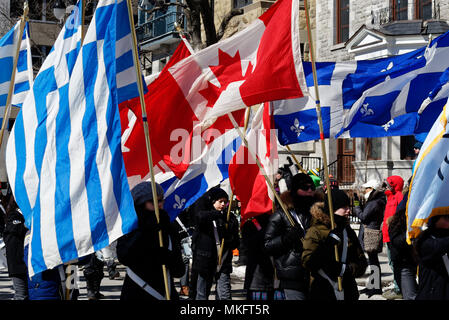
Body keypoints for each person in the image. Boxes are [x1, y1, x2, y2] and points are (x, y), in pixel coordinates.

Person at [117, 181, 185, 300]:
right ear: (141, 203)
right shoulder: (131, 226)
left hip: (165, 293)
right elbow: (124, 256)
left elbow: (179, 271)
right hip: (136, 293)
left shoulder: (168, 227)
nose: (160, 204)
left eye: (161, 200)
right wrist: (146, 230)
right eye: (154, 201)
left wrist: (168, 257)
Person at [302, 189, 368, 301]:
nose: (349, 211)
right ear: (333, 208)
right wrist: (328, 244)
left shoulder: (347, 230)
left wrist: (347, 269)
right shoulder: (315, 231)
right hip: (323, 290)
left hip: (348, 290)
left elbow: (362, 261)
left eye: (349, 207)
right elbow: (308, 262)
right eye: (344, 207)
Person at [264, 173, 319, 300]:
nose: (310, 191)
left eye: (312, 188)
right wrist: (287, 238)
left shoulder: (319, 214)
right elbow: (267, 245)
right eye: (305, 188)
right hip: (292, 277)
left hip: (317, 275)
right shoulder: (282, 215)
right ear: (295, 190)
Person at [191, 187, 239, 300]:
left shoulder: (229, 217)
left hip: (223, 262)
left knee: (224, 293)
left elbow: (235, 241)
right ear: (213, 202)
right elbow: (199, 217)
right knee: (202, 293)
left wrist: (230, 236)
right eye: (220, 201)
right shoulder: (205, 216)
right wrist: (218, 215)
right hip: (205, 261)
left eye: (225, 202)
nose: (223, 204)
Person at [354, 179, 386, 296]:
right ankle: (372, 285)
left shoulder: (375, 202)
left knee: (373, 261)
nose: (364, 190)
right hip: (370, 231)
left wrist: (356, 205)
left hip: (371, 233)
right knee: (373, 261)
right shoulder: (375, 200)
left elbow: (363, 216)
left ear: (372, 189)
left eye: (366, 188)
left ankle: (376, 287)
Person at [387, 187, 418, 300]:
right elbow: (396, 240)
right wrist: (412, 236)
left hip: (419, 262)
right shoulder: (398, 220)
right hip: (404, 262)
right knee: (410, 295)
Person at [414, 213, 449, 300]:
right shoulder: (426, 238)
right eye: (446, 218)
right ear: (435, 220)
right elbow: (437, 247)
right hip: (431, 290)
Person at [382, 175, 404, 299]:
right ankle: (397, 286)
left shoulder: (399, 196)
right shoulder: (389, 196)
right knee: (392, 262)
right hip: (388, 235)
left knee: (395, 262)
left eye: (390, 183)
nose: (388, 185)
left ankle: (399, 288)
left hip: (394, 235)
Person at [242, 213, 274, 300]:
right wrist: (263, 233)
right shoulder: (249, 225)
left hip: (273, 273)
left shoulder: (276, 223)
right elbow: (248, 245)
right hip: (256, 274)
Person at [3, 195, 29, 300]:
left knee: (27, 294)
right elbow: (16, 228)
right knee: (21, 294)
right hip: (17, 263)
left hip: (25, 262)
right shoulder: (13, 215)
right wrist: (27, 224)